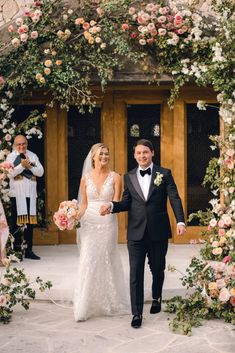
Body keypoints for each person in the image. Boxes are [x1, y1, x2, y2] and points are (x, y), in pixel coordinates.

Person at [100, 139, 186, 328]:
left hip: (158, 231)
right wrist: (112, 206)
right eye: (138, 153)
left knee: (157, 269)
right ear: (134, 155)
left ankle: (156, 296)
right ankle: (136, 313)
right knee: (135, 273)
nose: (142, 156)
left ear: (152, 153)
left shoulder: (164, 173)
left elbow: (175, 198)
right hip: (136, 233)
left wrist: (180, 220)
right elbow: (126, 202)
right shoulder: (129, 176)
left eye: (145, 152)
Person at [73, 143, 129, 321]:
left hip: (107, 222)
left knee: (106, 257)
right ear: (93, 157)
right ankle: (84, 305)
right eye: (101, 154)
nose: (104, 157)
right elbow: (83, 205)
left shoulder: (116, 177)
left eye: (107, 154)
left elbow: (117, 202)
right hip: (89, 222)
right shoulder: (85, 178)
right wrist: (72, 217)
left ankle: (110, 301)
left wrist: (110, 208)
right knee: (89, 259)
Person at [6, 134, 44, 260]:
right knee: (16, 223)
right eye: (19, 144)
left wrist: (30, 166)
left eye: (24, 144)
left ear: (27, 144)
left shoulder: (33, 156)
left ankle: (29, 250)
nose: (22, 146)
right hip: (17, 194)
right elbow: (10, 174)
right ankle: (16, 250)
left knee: (30, 223)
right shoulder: (10, 157)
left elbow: (41, 172)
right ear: (14, 145)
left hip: (30, 194)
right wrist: (21, 165)